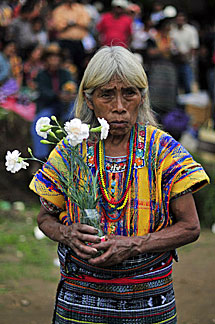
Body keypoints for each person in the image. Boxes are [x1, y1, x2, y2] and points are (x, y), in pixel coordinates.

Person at [30, 46, 209, 324]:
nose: (119, 107)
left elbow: (190, 226)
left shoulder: (163, 149)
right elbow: (45, 218)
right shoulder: (71, 149)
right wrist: (66, 234)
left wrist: (136, 244)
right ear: (89, 100)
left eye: (129, 93)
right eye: (106, 94)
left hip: (148, 301)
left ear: (141, 97)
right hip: (81, 300)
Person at [31, 43, 76, 160]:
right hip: (49, 105)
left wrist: (69, 94)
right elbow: (43, 92)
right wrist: (58, 95)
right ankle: (41, 158)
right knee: (39, 123)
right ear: (46, 60)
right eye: (51, 58)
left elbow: (71, 86)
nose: (54, 61)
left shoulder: (65, 73)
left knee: (75, 118)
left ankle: (73, 152)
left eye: (56, 58)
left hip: (65, 105)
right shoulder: (41, 75)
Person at [51, 0, 91, 82]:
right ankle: (65, 84)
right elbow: (58, 26)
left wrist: (72, 23)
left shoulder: (81, 9)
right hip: (65, 42)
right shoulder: (59, 10)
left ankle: (80, 85)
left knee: (81, 65)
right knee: (65, 64)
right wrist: (71, 24)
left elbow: (85, 22)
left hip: (79, 42)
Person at [170, 12, 199, 94]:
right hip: (175, 61)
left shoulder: (191, 30)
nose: (179, 21)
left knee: (188, 86)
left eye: (181, 19)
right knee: (176, 87)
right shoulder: (172, 30)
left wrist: (185, 56)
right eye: (178, 19)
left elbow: (194, 47)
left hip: (187, 62)